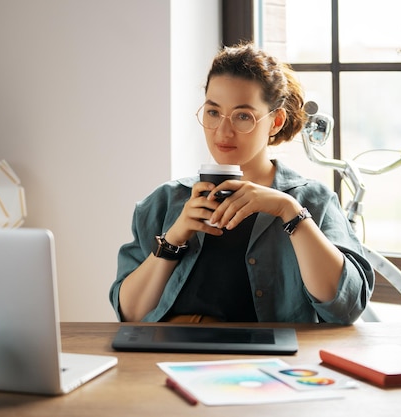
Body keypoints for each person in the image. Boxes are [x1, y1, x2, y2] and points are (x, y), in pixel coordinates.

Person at [109, 42, 374, 324]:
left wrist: (289, 211)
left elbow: (345, 308)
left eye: (243, 116)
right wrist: (174, 237)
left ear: (275, 122)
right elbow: (130, 314)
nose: (223, 131)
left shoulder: (312, 201)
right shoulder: (164, 202)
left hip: (267, 364)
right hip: (172, 358)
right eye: (213, 112)